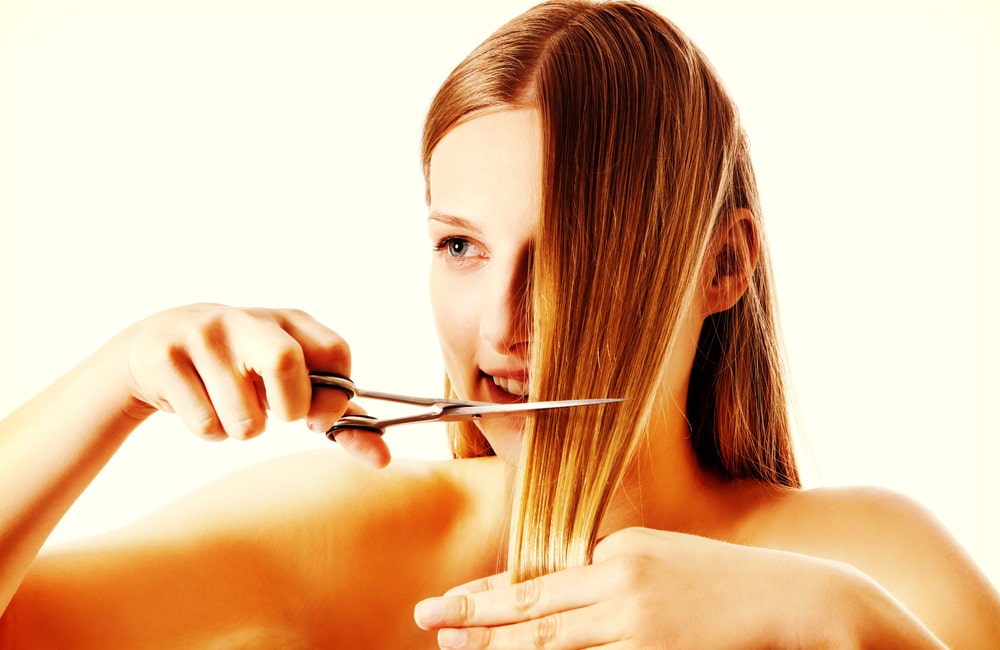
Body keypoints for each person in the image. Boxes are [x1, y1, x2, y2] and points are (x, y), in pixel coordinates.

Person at [2, 1, 998, 647]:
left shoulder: (865, 561)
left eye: (566, 249)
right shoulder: (354, 529)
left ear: (722, 266)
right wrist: (114, 379)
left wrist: (837, 622)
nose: (502, 321)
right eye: (461, 247)